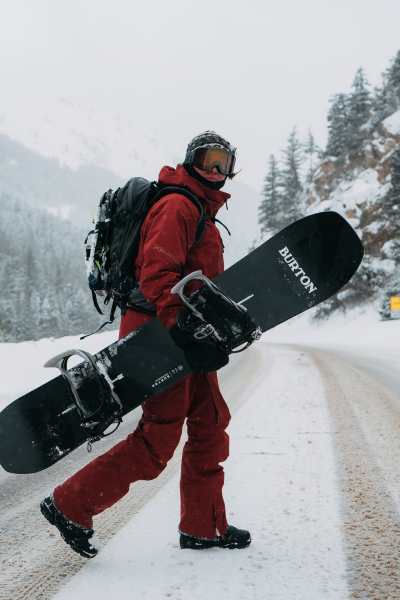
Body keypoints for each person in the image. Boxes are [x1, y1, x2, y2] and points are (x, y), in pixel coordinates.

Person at [40, 131, 251, 558]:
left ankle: (203, 526)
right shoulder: (178, 205)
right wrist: (181, 332)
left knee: (210, 425)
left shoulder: (201, 212)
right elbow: (157, 276)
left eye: (224, 163)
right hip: (161, 333)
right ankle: (71, 505)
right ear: (190, 160)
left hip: (189, 331)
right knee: (158, 443)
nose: (215, 170)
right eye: (208, 159)